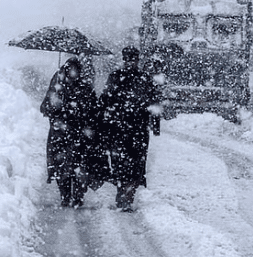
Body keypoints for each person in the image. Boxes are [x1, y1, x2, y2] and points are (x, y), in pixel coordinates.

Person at [100, 46, 162, 212]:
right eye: (128, 59)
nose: (130, 63)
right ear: (124, 60)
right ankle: (124, 193)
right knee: (123, 163)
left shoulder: (141, 79)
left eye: (132, 60)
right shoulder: (120, 77)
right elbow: (105, 100)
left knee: (134, 164)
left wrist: (155, 124)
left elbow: (154, 103)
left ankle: (127, 195)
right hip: (122, 129)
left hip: (135, 129)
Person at [40, 57, 101, 208]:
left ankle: (78, 196)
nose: (73, 73)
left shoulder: (85, 88)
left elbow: (94, 110)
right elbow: (46, 107)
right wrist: (57, 105)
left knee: (80, 166)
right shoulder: (57, 86)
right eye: (70, 69)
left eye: (76, 70)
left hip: (79, 134)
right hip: (61, 134)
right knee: (62, 167)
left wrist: (85, 118)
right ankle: (65, 195)